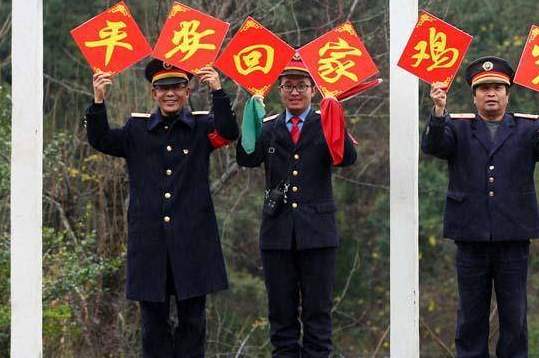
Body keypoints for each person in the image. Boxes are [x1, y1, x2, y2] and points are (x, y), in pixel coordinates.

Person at [422, 56, 539, 358]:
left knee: (515, 318)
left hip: (513, 237)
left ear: (507, 94)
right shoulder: (457, 126)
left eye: (497, 87)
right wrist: (438, 110)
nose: (491, 93)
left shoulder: (528, 127)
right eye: (483, 88)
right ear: (474, 95)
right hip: (470, 237)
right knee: (470, 318)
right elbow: (434, 146)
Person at [87, 58, 240, 358]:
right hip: (150, 244)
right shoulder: (137, 129)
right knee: (153, 328)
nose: (170, 93)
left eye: (177, 87)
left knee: (193, 325)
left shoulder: (201, 126)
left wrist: (218, 90)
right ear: (153, 93)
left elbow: (229, 132)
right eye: (163, 88)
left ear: (187, 90)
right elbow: (101, 139)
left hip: (193, 244)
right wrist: (98, 99)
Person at [235, 54, 358, 358]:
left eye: (301, 86)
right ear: (279, 89)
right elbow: (247, 158)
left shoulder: (324, 123)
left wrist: (336, 119)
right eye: (289, 86)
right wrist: (249, 120)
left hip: (317, 234)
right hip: (278, 234)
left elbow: (347, 159)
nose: (295, 92)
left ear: (313, 90)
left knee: (318, 315)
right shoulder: (269, 127)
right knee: (281, 316)